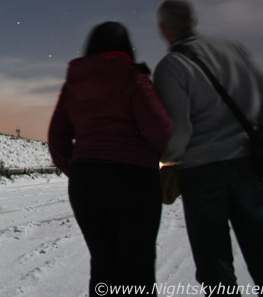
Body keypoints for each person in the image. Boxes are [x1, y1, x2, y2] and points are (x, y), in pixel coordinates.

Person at [153, 0, 263, 291]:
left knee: (215, 266)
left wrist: (165, 160)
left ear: (163, 29)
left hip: (202, 172)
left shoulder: (171, 66)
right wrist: (259, 138)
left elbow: (179, 130)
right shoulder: (234, 50)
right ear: (194, 21)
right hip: (247, 164)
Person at [48, 22, 172, 297]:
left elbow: (57, 138)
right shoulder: (132, 78)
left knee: (103, 264)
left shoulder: (74, 84)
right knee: (137, 268)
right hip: (134, 180)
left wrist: (80, 168)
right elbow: (161, 133)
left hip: (86, 182)